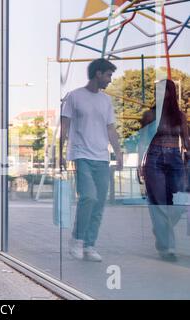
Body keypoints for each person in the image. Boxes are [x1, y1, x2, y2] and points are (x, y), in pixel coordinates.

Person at [61, 58, 123, 262]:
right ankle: (77, 239)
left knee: (99, 203)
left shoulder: (105, 101)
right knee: (89, 197)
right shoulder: (74, 97)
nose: (109, 80)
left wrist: (118, 153)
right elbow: (64, 126)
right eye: (108, 75)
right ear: (98, 73)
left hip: (101, 158)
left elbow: (111, 129)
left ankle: (90, 245)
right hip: (82, 156)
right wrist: (60, 154)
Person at [139, 79, 189, 262]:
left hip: (175, 160)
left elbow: (187, 141)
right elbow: (142, 141)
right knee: (159, 203)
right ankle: (167, 247)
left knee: (179, 205)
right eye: (158, 91)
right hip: (154, 160)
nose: (161, 94)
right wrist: (140, 165)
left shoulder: (180, 116)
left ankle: (160, 228)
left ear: (171, 93)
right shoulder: (150, 115)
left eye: (164, 91)